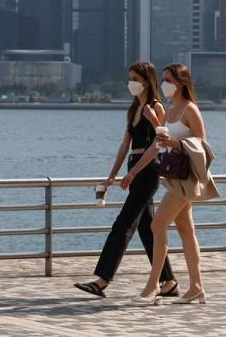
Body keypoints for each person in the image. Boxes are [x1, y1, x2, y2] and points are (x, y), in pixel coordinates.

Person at [74, 62, 178, 299]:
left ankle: (102, 280)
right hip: (135, 165)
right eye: (129, 78)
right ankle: (169, 281)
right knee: (147, 229)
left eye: (135, 78)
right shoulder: (133, 109)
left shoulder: (156, 107)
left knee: (123, 225)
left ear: (146, 80)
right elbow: (125, 145)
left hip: (149, 170)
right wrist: (113, 174)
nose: (131, 83)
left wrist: (133, 173)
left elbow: (159, 143)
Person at [122, 62, 218, 305]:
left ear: (181, 83)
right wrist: (133, 171)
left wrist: (161, 130)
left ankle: (153, 285)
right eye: (163, 80)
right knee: (186, 231)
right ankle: (196, 287)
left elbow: (201, 147)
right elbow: (159, 143)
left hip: (186, 178)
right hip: (173, 177)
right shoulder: (171, 109)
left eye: (168, 80)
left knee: (157, 225)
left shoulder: (190, 109)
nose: (163, 85)